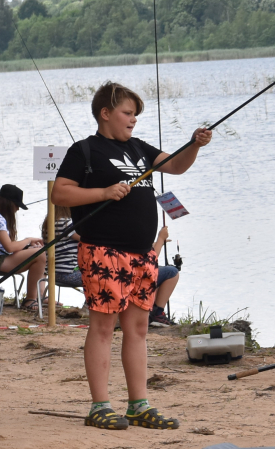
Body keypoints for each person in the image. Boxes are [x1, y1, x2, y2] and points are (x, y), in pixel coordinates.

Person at [53, 81, 210, 431]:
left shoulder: (140, 148)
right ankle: (100, 406)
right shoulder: (85, 151)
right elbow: (61, 193)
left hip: (142, 256)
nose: (133, 120)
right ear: (106, 114)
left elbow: (176, 166)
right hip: (103, 251)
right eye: (127, 113)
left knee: (138, 328)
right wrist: (104, 192)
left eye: (136, 114)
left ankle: (139, 404)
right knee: (104, 327)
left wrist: (194, 145)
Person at [0, 184, 45, 310]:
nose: (18, 209)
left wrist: (27, 248)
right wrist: (28, 240)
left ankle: (35, 297)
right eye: (17, 205)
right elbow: (9, 247)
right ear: (9, 203)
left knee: (37, 253)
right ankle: (31, 299)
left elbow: (7, 246)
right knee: (40, 254)